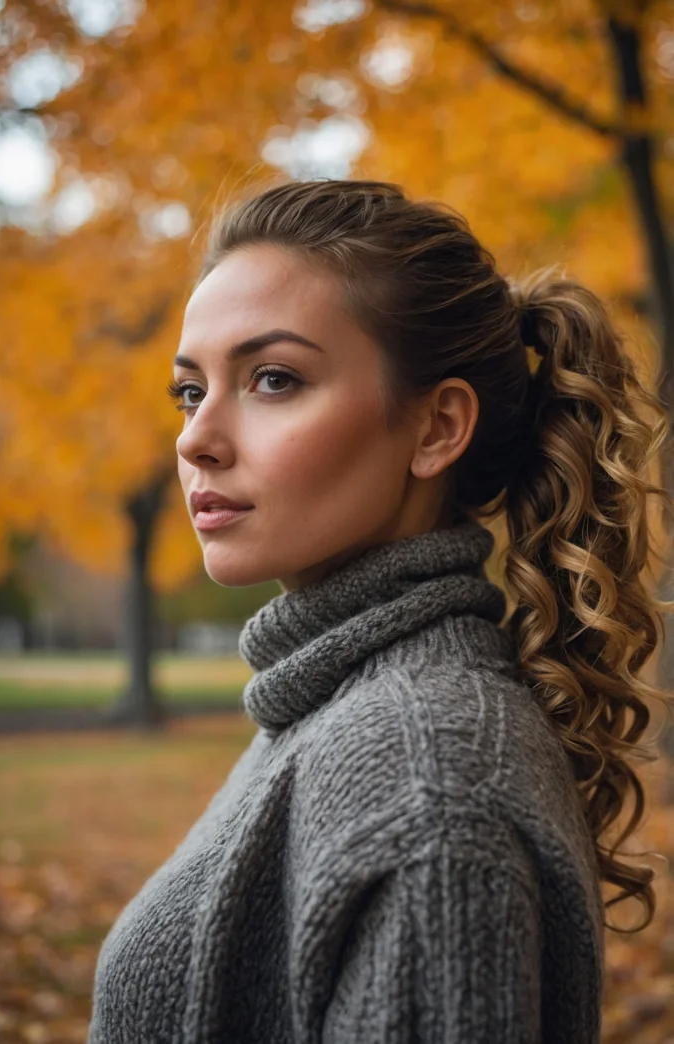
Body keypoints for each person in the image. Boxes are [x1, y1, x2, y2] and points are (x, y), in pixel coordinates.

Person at [88, 178, 673, 1043]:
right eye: (189, 391)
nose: (195, 438)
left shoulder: (424, 776)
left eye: (273, 379)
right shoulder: (329, 706)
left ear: (437, 428)